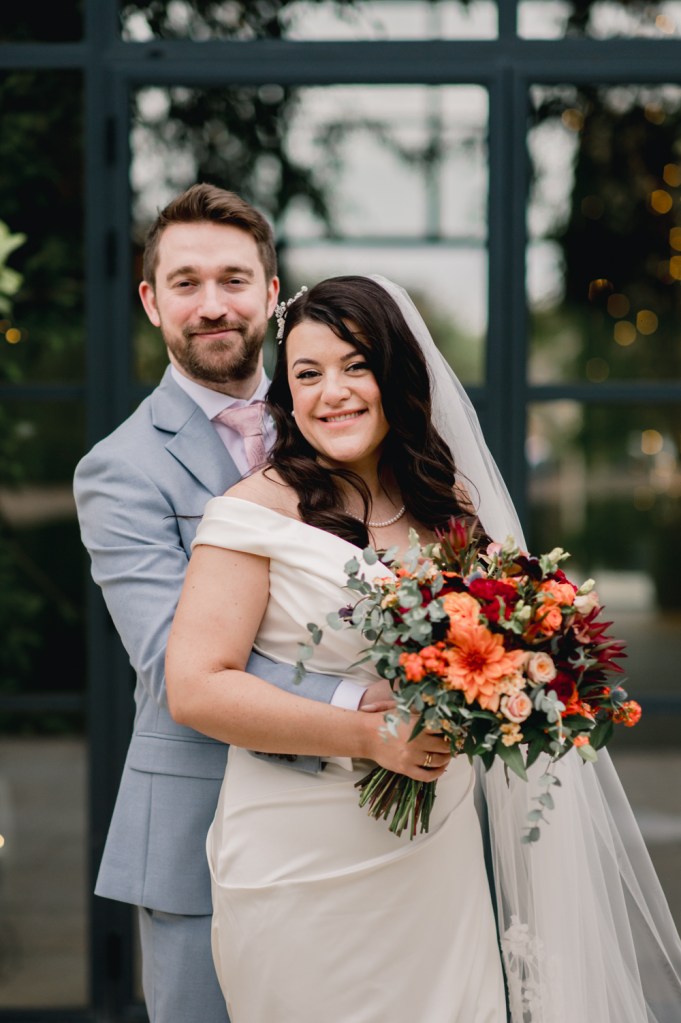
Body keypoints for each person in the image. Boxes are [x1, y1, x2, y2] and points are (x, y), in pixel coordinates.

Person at [165, 274, 681, 1023]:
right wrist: (370, 734)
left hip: (433, 856)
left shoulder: (447, 510)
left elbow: (491, 653)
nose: (331, 391)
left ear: (396, 375)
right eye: (306, 373)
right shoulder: (251, 513)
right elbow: (196, 687)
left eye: (355, 364)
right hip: (296, 858)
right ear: (286, 392)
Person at [73, 185, 390, 1023]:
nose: (212, 306)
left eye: (233, 279)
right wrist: (360, 703)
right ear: (150, 301)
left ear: (272, 290)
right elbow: (175, 656)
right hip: (199, 830)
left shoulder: (338, 417)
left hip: (359, 820)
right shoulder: (119, 468)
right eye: (184, 283)